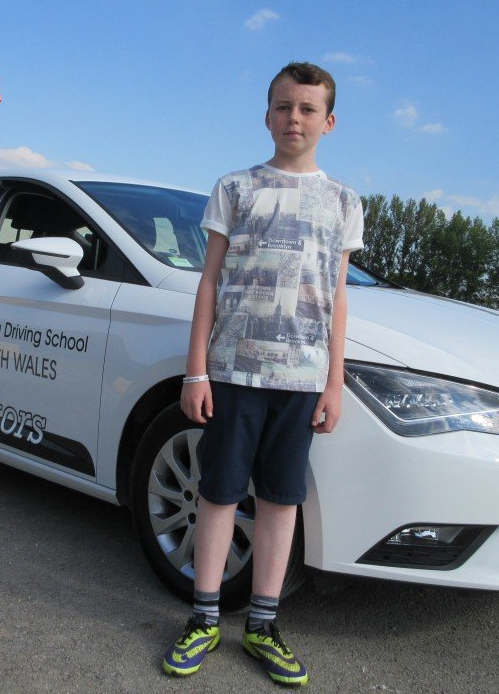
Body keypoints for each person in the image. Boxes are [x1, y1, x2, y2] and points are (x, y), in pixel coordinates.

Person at [161, 62, 364, 686]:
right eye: (283, 107)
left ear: (329, 122)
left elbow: (336, 296)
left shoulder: (344, 201)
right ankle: (203, 616)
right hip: (232, 373)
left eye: (307, 109)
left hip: (301, 382)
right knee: (218, 493)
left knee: (281, 500)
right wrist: (197, 373)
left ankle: (263, 624)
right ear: (267, 114)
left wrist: (333, 382)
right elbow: (210, 282)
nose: (293, 119)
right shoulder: (236, 188)